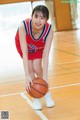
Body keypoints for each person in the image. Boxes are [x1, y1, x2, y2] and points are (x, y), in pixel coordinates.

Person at [15, 5, 55, 110]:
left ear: (47, 20)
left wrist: (45, 78)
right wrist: (27, 76)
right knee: (30, 69)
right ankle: (35, 97)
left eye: (42, 18)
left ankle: (46, 92)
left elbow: (45, 56)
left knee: (37, 66)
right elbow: (25, 53)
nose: (38, 20)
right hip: (25, 46)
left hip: (37, 46)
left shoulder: (49, 31)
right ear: (31, 16)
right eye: (36, 16)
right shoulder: (23, 27)